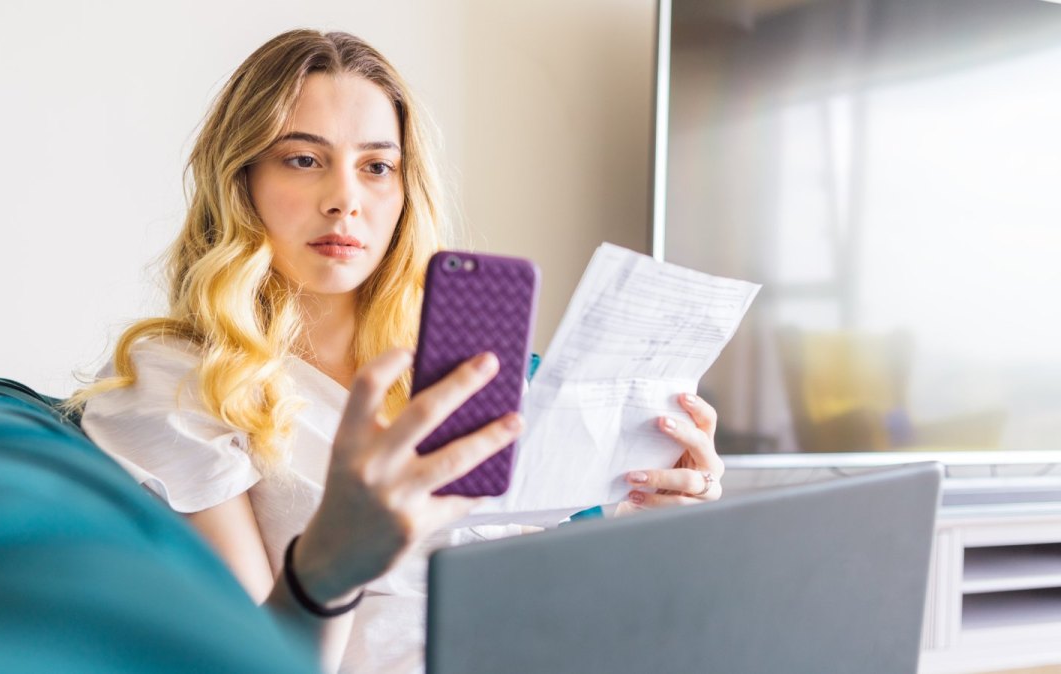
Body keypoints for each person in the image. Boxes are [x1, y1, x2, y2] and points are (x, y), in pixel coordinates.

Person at [70, 29, 724, 674]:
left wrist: (654, 519)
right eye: (303, 159)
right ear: (241, 179)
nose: (345, 200)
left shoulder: (455, 367)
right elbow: (258, 661)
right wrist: (333, 562)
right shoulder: (177, 380)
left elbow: (569, 591)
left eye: (377, 167)